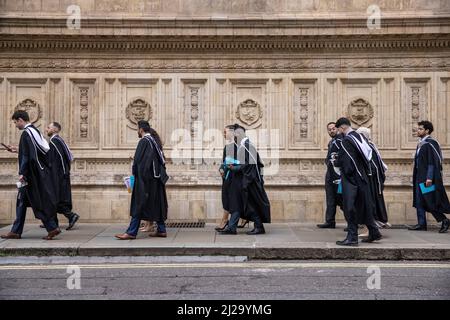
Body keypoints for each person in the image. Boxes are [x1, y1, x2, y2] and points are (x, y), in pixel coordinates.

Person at [1, 111, 60, 240]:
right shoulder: (35, 131)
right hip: (37, 173)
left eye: (16, 122)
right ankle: (17, 231)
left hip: (30, 175)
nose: (16, 125)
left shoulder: (26, 134)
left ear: (21, 120)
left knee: (34, 201)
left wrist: (22, 173)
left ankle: (51, 227)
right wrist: (17, 149)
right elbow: (34, 151)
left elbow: (27, 157)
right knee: (22, 201)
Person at [115, 121, 168, 240]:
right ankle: (161, 229)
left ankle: (131, 232)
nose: (137, 132)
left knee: (138, 204)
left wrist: (138, 178)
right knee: (156, 203)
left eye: (138, 129)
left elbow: (140, 162)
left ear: (141, 130)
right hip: (156, 179)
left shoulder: (144, 141)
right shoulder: (154, 142)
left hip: (146, 179)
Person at [333, 117, 381, 246]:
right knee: (364, 205)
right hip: (364, 177)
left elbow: (348, 163)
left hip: (352, 179)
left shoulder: (346, 141)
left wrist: (337, 162)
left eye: (338, 130)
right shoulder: (359, 137)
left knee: (350, 207)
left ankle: (352, 237)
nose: (338, 132)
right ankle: (374, 231)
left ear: (342, 128)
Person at [219, 124, 271, 235]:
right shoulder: (244, 146)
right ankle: (233, 227)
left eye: (236, 133)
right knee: (240, 203)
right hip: (246, 180)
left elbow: (248, 165)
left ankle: (258, 227)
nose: (235, 135)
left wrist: (234, 167)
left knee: (249, 205)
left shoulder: (247, 146)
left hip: (250, 181)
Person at [408, 121, 450, 233]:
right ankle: (421, 224)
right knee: (419, 201)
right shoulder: (421, 144)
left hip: (426, 178)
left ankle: (444, 220)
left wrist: (429, 178)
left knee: (429, 200)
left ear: (427, 131)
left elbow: (432, 162)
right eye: (418, 129)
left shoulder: (431, 143)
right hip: (419, 177)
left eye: (420, 129)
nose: (418, 131)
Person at [45, 122, 79, 230]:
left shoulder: (55, 142)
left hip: (58, 176)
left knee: (55, 199)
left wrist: (56, 176)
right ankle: (52, 223)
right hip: (61, 175)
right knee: (53, 199)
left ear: (55, 129)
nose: (46, 129)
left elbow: (55, 161)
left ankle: (70, 216)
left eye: (48, 127)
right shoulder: (58, 140)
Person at [356, 127, 390, 229]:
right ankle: (376, 220)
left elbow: (374, 162)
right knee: (373, 199)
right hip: (373, 178)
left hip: (373, 178)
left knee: (373, 200)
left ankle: (377, 221)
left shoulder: (368, 145)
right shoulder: (368, 145)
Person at [317, 122, 343, 229]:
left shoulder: (340, 141)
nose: (331, 130)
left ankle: (354, 222)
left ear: (337, 129)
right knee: (330, 198)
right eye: (329, 129)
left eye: (333, 128)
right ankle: (330, 221)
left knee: (342, 199)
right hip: (330, 174)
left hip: (338, 175)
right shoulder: (332, 142)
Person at [216, 124, 238, 231]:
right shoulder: (227, 147)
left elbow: (242, 162)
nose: (224, 134)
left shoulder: (239, 147)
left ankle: (225, 220)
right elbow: (224, 161)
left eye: (226, 132)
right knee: (225, 197)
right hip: (226, 177)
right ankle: (226, 220)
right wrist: (221, 168)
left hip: (235, 177)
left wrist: (230, 164)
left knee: (231, 198)